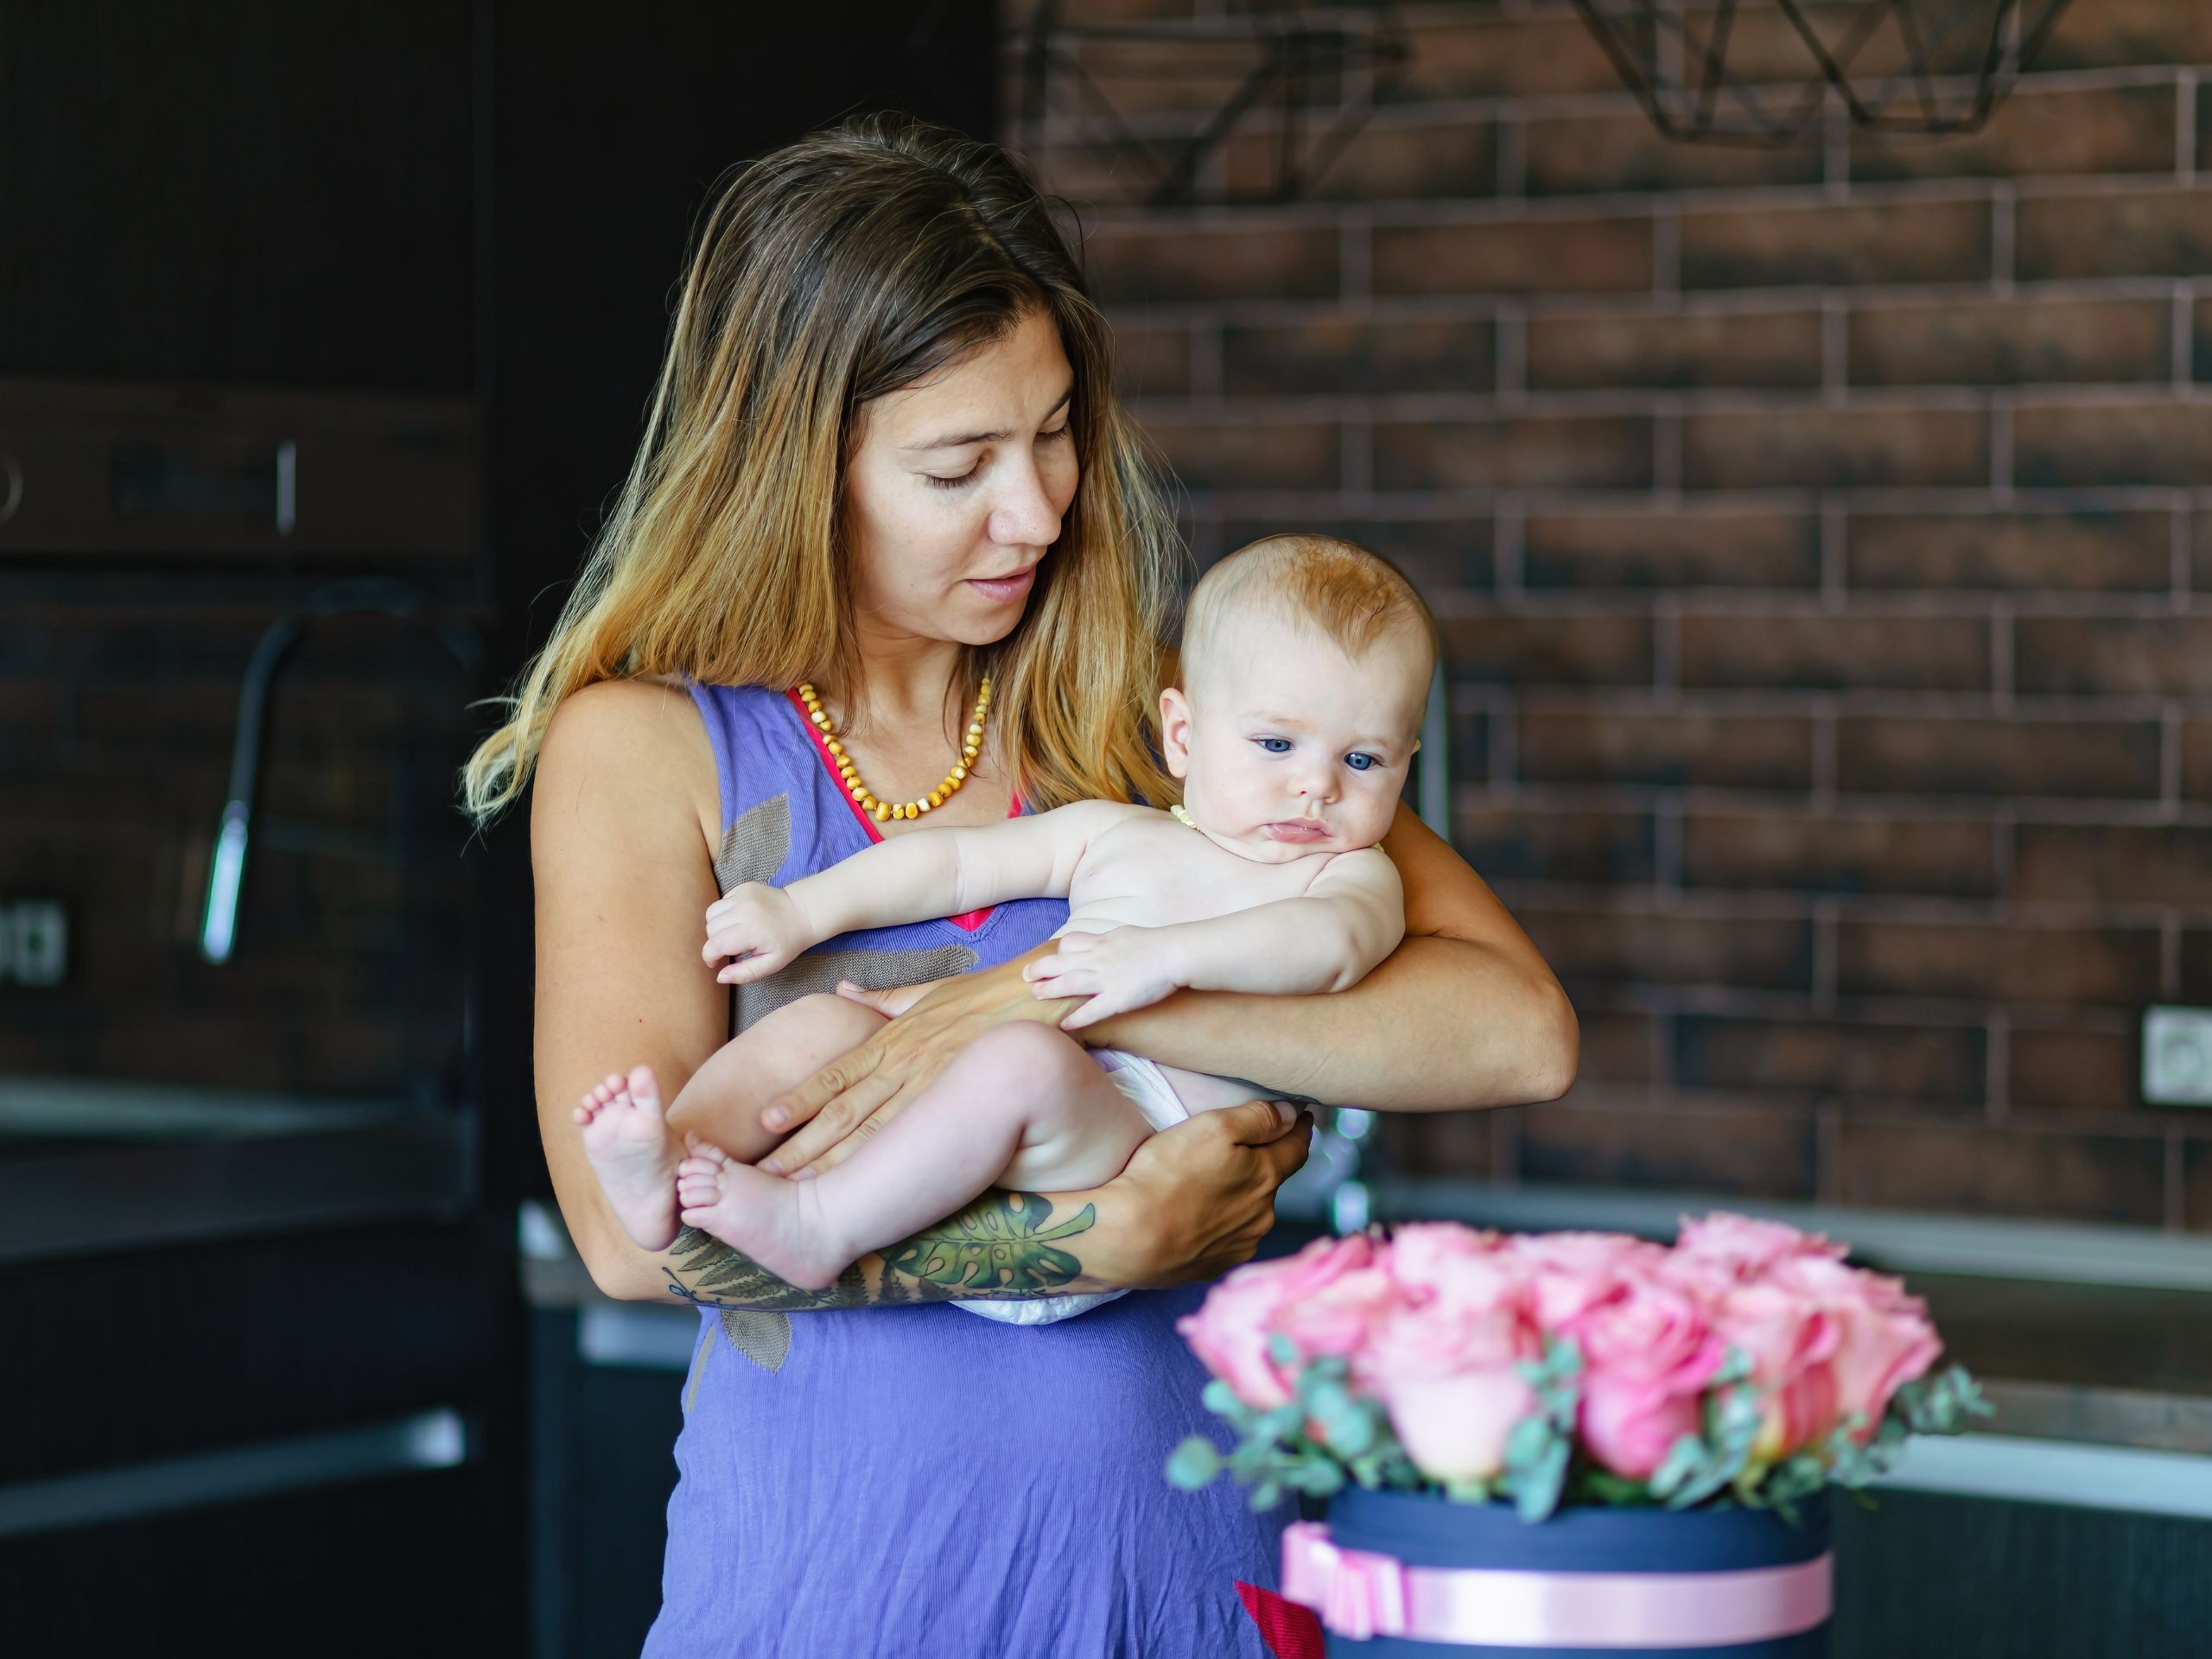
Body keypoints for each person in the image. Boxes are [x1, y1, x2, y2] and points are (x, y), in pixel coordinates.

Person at [465, 113, 1576, 1659]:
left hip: (1193, 1581)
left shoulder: (1161, 713)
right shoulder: (653, 751)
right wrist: (1100, 1241)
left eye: (1055, 434)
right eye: (958, 465)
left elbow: (1515, 1028)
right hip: (839, 1594)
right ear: (802, 465)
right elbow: (626, 1240)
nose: (1040, 510)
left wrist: (1048, 1002)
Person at [575, 534, 1433, 1331]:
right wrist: (804, 911)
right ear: (1183, 734)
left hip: (1136, 1147)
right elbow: (953, 863)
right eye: (1275, 744)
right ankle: (674, 1158)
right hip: (992, 1141)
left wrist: (1162, 960)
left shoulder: (1350, 875)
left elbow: (1328, 950)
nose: (1315, 786)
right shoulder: (1118, 834)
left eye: (1362, 761)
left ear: (1404, 761)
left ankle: (819, 1224)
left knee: (1019, 1059)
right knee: (827, 1024)